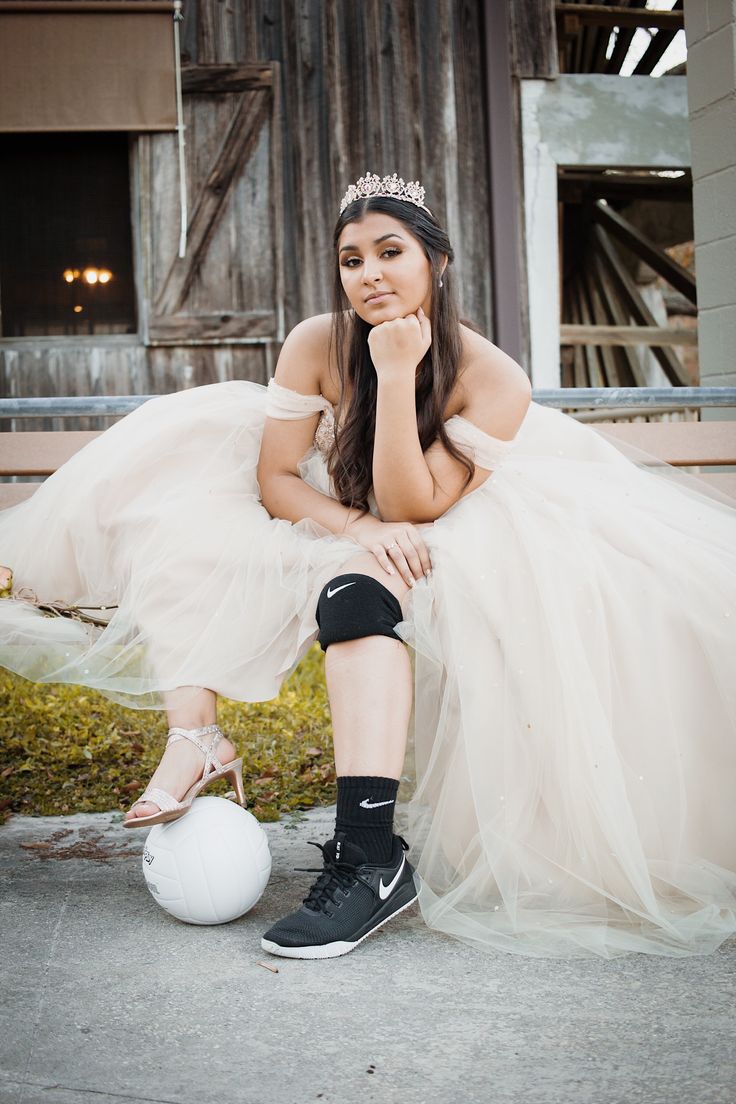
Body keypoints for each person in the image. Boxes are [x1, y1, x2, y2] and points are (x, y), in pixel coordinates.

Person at [1, 172, 735, 961]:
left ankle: (368, 860)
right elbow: (276, 479)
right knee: (186, 521)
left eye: (391, 252)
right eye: (352, 260)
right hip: (332, 509)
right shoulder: (316, 341)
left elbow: (414, 507)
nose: (370, 275)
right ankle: (197, 737)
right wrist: (351, 525)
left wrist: (392, 375)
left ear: (437, 263)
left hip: (460, 519)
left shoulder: (492, 380)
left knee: (357, 598)